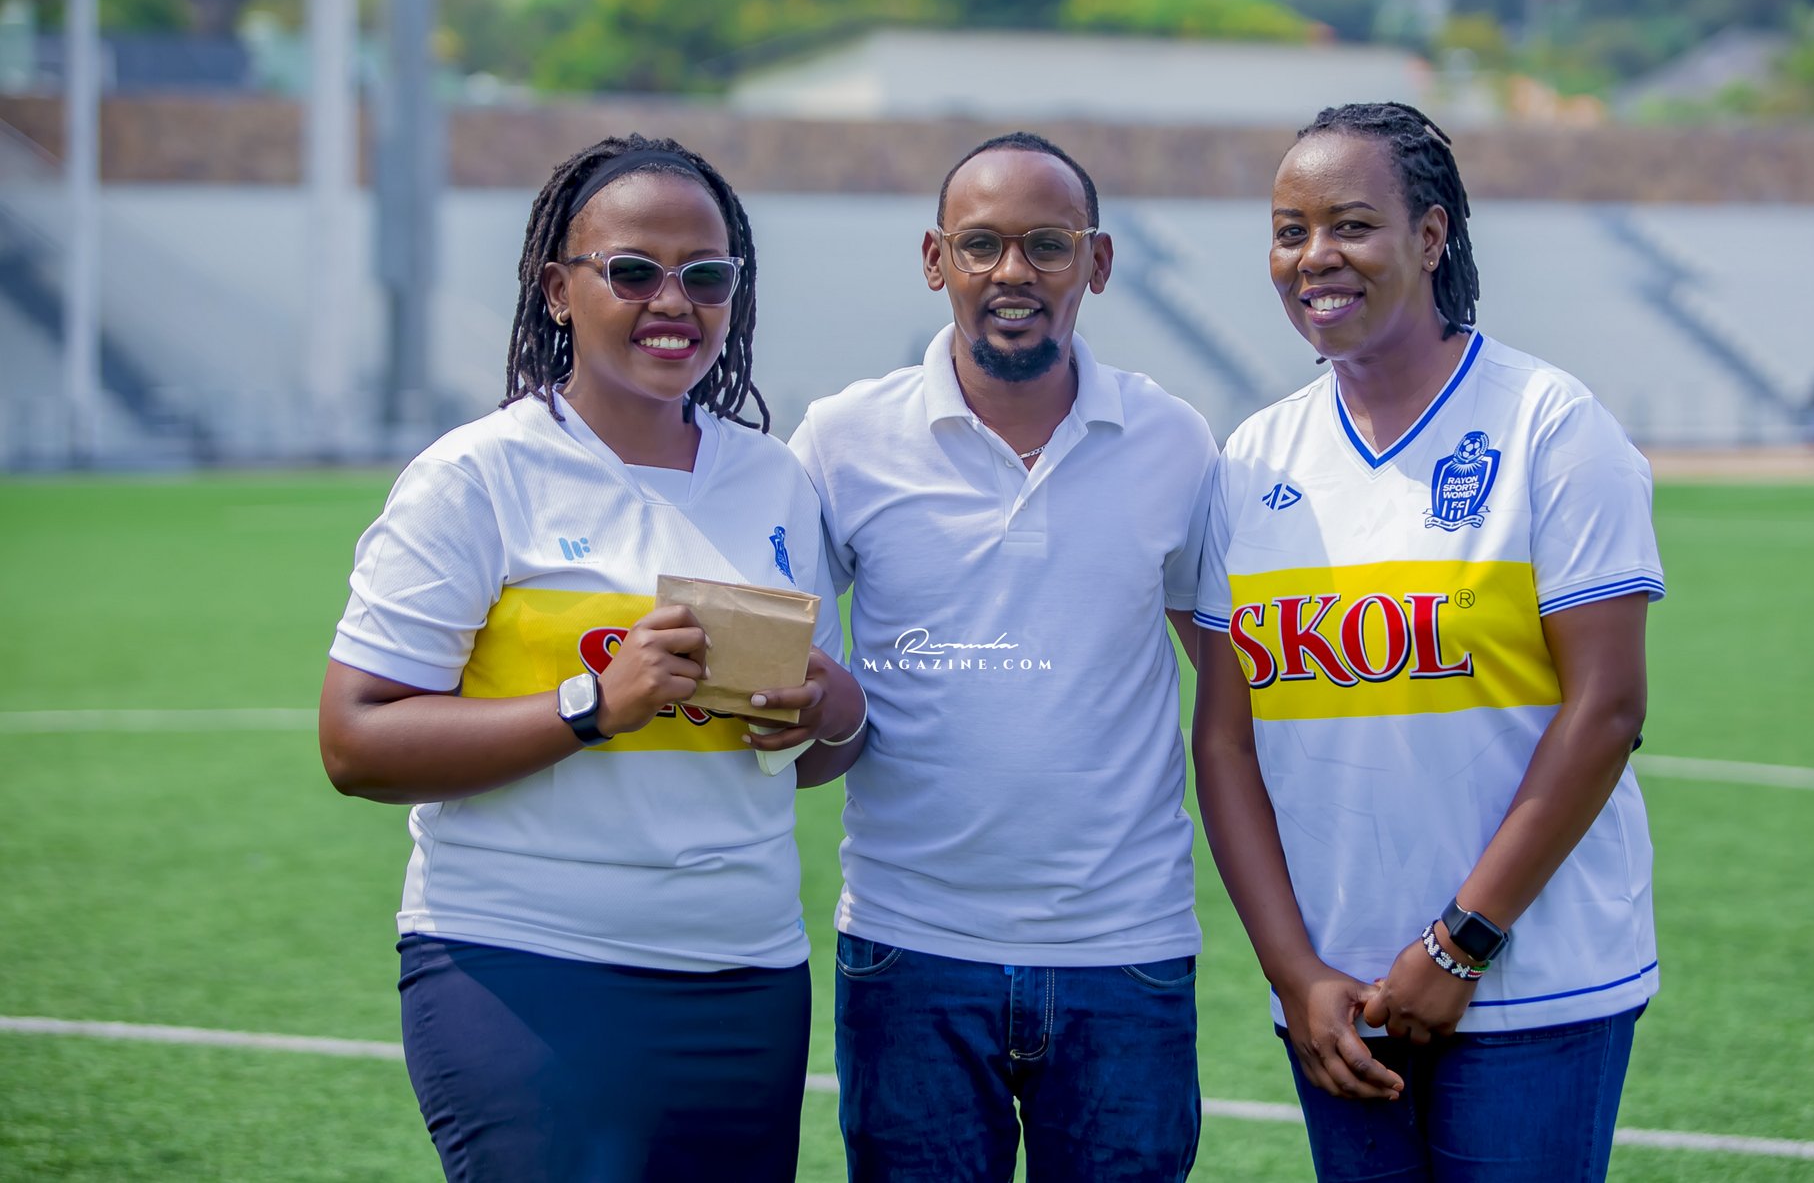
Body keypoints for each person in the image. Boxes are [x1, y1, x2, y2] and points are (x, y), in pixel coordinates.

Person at [318, 134, 866, 1183]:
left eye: (706, 276)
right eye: (633, 271)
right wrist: (591, 705)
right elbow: (355, 741)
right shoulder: (476, 477)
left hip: (746, 973)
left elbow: (799, 761)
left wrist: (832, 713)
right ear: (557, 290)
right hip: (525, 964)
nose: (674, 301)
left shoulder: (774, 482)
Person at [1192, 102, 1665, 1182]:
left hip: (1534, 984)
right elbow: (1223, 742)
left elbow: (1606, 711)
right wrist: (1292, 973)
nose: (1315, 256)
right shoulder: (1252, 457)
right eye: (1289, 230)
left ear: (1431, 235)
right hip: (1335, 1001)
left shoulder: (1549, 423)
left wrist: (1459, 943)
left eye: (1351, 224)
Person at [788, 132, 1215, 1182]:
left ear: (1096, 262)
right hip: (909, 947)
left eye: (1046, 245)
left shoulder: (1175, 441)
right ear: (934, 259)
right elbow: (785, 674)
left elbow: (1233, 680)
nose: (1011, 271)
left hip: (1126, 950)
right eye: (980, 245)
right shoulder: (841, 440)